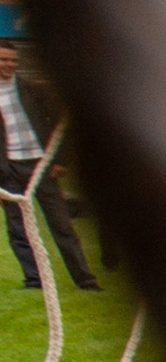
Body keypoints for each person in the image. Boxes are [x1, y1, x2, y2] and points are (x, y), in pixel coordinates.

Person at [0, 40, 100, 295]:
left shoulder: (33, 90)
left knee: (61, 225)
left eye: (13, 60)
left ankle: (85, 279)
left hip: (40, 167)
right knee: (17, 228)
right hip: (8, 169)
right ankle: (34, 280)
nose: (9, 64)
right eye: (4, 60)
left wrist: (60, 160)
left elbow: (62, 123)